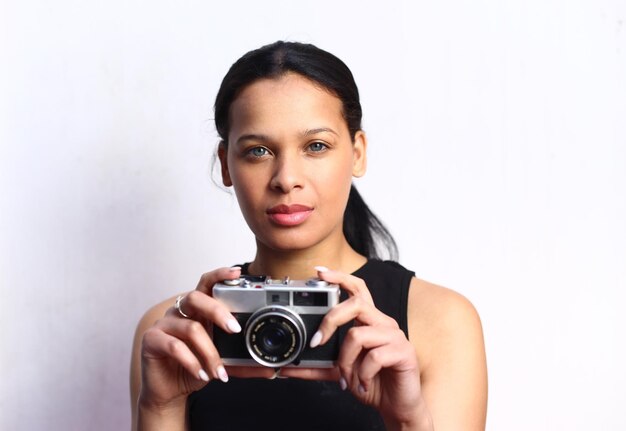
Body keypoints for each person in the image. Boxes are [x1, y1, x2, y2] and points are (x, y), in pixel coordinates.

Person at [130, 41, 487, 431]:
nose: (286, 179)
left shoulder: (439, 322)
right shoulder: (177, 332)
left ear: (357, 153)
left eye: (316, 146)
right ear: (226, 165)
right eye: (258, 151)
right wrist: (160, 406)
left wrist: (406, 419)